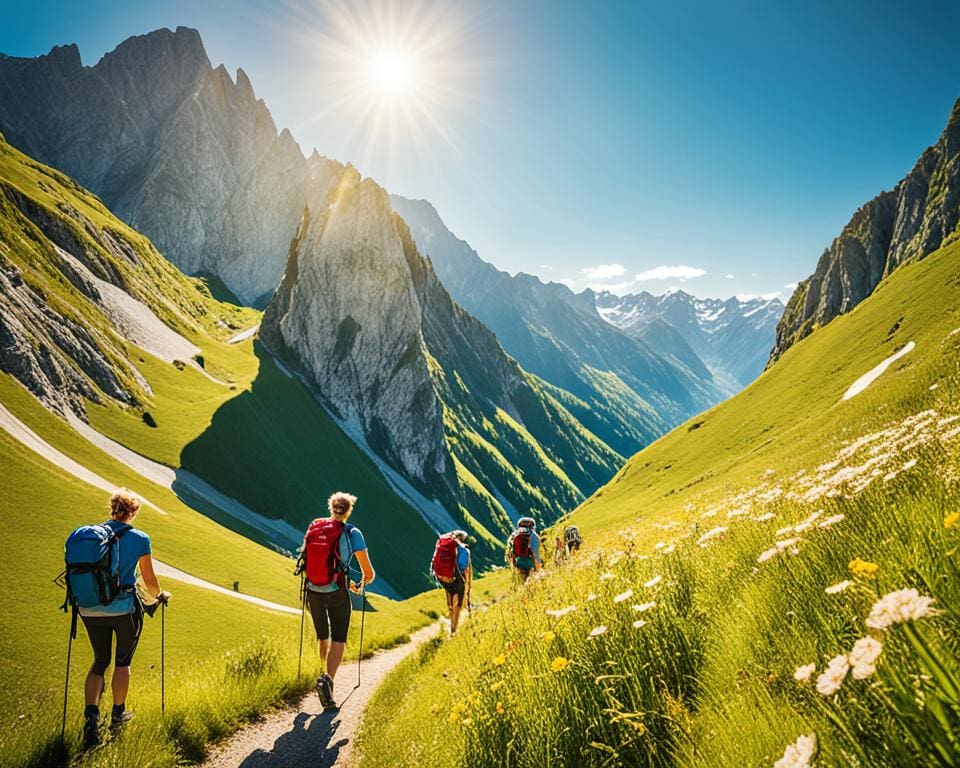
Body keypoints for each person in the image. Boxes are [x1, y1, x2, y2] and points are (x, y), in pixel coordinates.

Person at [75, 490, 171, 748]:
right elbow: (149, 580)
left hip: (90, 608)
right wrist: (159, 595)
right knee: (122, 662)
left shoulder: (92, 536)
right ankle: (118, 715)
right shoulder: (140, 538)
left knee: (99, 661)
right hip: (124, 609)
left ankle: (91, 719)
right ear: (133, 512)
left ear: (112, 509)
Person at [301, 492, 375, 712]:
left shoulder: (315, 526)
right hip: (336, 592)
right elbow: (368, 573)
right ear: (348, 510)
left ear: (331, 508)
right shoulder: (352, 532)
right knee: (339, 638)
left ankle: (320, 670)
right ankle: (327, 681)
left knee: (322, 635)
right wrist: (359, 583)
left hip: (313, 590)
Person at [433, 531, 472, 635]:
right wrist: (468, 584)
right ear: (463, 539)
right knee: (457, 604)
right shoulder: (464, 550)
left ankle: (451, 623)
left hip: (444, 578)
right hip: (457, 579)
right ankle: (454, 629)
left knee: (450, 601)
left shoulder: (444, 546)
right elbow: (464, 568)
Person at [507, 517, 541, 582]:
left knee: (522, 582)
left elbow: (512, 552)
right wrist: (538, 568)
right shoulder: (534, 537)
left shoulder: (515, 536)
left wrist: (514, 566)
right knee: (532, 582)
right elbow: (535, 554)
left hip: (519, 563)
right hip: (531, 563)